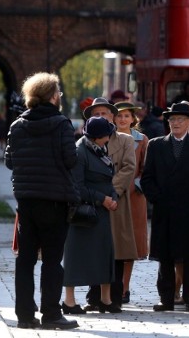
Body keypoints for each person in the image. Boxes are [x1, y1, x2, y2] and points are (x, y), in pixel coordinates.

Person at [5, 72, 79, 330]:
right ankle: (51, 313)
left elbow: (9, 161)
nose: (59, 96)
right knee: (51, 260)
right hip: (55, 201)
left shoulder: (16, 126)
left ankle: (25, 315)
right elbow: (71, 159)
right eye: (57, 92)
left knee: (25, 260)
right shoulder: (61, 124)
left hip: (26, 201)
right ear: (51, 96)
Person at [141, 102, 189, 311]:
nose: (175, 123)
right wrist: (157, 198)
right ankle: (166, 298)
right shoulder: (156, 145)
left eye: (180, 119)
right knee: (165, 256)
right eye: (172, 119)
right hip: (165, 209)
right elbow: (147, 178)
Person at [62, 117, 122, 315]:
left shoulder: (99, 149)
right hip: (84, 214)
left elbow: (107, 177)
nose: (109, 138)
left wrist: (112, 196)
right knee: (75, 257)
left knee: (104, 254)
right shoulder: (80, 152)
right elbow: (77, 186)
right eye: (107, 134)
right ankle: (69, 301)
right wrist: (102, 199)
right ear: (98, 137)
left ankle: (106, 299)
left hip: (102, 212)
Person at [82, 98, 137, 310]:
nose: (101, 117)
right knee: (95, 249)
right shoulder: (84, 142)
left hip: (116, 203)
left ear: (112, 116)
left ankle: (115, 297)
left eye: (105, 113)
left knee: (116, 251)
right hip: (95, 202)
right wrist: (98, 195)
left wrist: (110, 192)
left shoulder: (124, 140)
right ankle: (93, 296)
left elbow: (128, 168)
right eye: (97, 114)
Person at [113, 102, 150, 303]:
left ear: (133, 119)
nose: (122, 119)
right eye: (119, 116)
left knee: (131, 244)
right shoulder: (107, 137)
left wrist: (136, 185)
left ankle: (125, 287)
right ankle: (111, 285)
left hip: (134, 197)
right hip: (113, 195)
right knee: (113, 241)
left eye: (126, 116)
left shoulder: (142, 140)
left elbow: (147, 169)